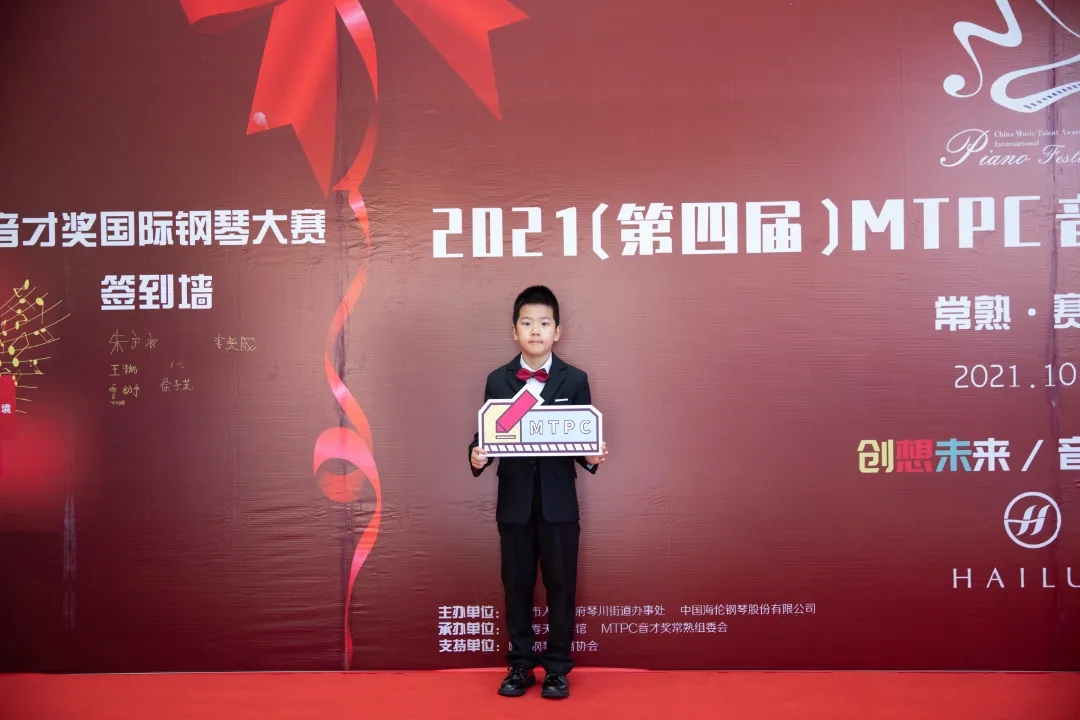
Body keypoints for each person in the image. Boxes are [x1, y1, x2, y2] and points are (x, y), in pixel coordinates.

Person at [468, 285, 608, 700]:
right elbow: (487, 434)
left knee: (561, 585)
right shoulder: (498, 380)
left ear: (557, 331)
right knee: (516, 584)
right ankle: (521, 664)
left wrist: (592, 457)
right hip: (514, 503)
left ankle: (558, 668)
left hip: (559, 503)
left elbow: (583, 441)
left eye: (544, 323)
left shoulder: (575, 380)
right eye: (526, 323)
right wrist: (476, 455)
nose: (535, 330)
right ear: (514, 330)